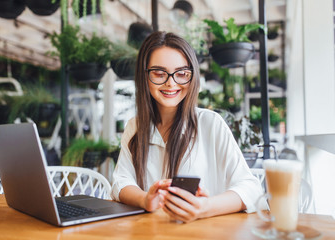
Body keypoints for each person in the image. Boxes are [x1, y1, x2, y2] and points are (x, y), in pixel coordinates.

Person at [111, 31, 263, 223]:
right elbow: (121, 181)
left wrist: (205, 208)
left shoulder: (210, 123)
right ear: (144, 76)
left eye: (182, 74)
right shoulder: (135, 126)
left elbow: (251, 188)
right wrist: (145, 200)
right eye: (159, 73)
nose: (171, 83)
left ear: (193, 77)